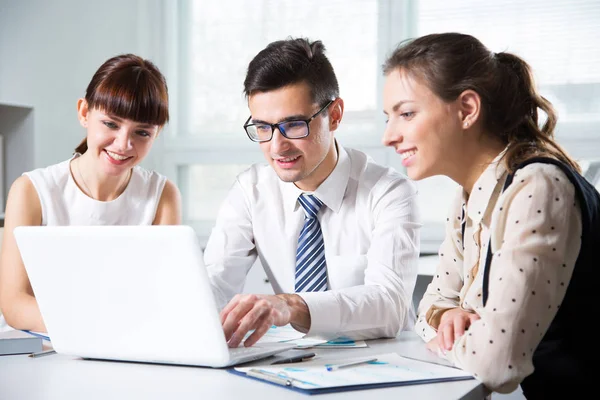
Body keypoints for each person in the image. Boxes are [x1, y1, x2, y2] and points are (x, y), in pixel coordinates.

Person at [382, 32, 594, 398]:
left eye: (406, 113)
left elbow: (495, 365)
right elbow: (428, 309)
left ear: (466, 109)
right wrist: (448, 319)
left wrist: (467, 333)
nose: (389, 136)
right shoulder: (470, 197)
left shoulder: (536, 188)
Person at [205, 37, 421, 348]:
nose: (277, 147)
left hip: (386, 368)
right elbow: (213, 283)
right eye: (263, 127)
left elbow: (389, 306)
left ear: (334, 115)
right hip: (297, 365)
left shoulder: (389, 192)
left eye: (293, 125)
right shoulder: (251, 191)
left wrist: (291, 305)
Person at [0, 54, 182, 333]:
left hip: (124, 344)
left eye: (142, 133)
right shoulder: (31, 191)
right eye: (111, 124)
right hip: (43, 345)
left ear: (156, 134)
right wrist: (100, 326)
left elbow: (163, 295)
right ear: (84, 113)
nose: (123, 144)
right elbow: (13, 304)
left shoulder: (163, 195)